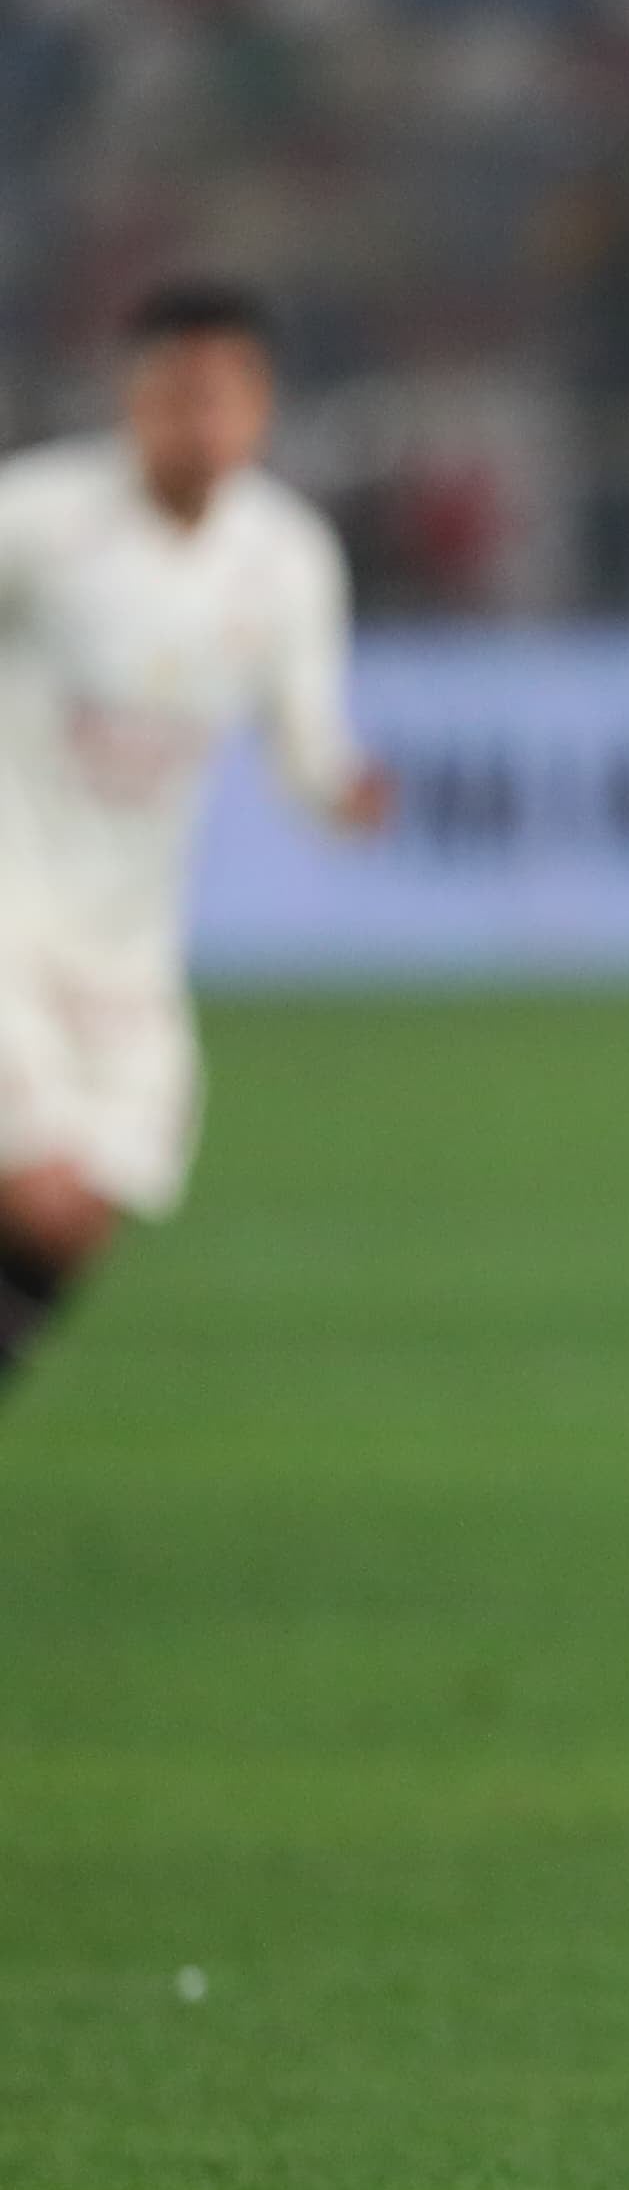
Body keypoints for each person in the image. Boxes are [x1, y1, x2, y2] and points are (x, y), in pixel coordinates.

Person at [0, 280, 388, 1394]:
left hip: (129, 949)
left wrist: (343, 793)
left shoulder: (288, 559)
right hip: (11, 911)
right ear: (132, 398)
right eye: (174, 395)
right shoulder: (37, 522)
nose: (197, 421)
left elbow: (308, 744)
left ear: (260, 407)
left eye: (220, 397)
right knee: (42, 1192)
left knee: (83, 1219)